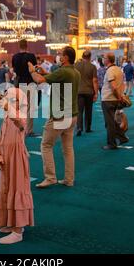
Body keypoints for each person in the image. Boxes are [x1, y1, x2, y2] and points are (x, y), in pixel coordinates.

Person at [28, 46, 80, 188]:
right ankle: (69, 179)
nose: (57, 56)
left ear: (66, 57)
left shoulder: (63, 72)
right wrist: (44, 72)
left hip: (59, 116)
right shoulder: (75, 72)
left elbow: (39, 80)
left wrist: (32, 70)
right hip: (72, 115)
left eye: (59, 54)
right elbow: (55, 80)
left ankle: (50, 177)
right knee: (68, 149)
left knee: (46, 145)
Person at [0, 87, 34, 244]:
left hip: (17, 158)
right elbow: (1, 138)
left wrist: (7, 106)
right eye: (9, 99)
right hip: (6, 158)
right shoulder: (6, 117)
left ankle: (18, 231)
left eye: (14, 100)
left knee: (17, 189)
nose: (10, 102)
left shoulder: (21, 116)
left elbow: (20, 122)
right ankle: (11, 222)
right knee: (6, 189)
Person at [100, 53, 129, 150]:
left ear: (108, 60)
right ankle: (122, 137)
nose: (103, 59)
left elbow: (113, 86)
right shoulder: (118, 69)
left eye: (104, 58)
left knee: (109, 123)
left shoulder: (110, 71)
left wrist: (119, 96)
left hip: (108, 99)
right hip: (114, 99)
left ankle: (111, 144)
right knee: (111, 121)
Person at [12, 40, 38, 137]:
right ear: (27, 46)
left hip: (20, 84)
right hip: (30, 83)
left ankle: (20, 127)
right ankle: (29, 130)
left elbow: (15, 70)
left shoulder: (15, 57)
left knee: (21, 107)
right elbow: (34, 69)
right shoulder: (31, 56)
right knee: (30, 108)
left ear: (19, 46)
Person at [75, 50, 98, 136]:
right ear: (90, 57)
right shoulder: (92, 67)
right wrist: (96, 93)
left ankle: (79, 128)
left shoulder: (75, 66)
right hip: (89, 92)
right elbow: (94, 80)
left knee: (79, 111)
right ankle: (88, 128)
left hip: (78, 91)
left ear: (82, 56)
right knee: (88, 110)